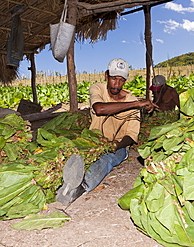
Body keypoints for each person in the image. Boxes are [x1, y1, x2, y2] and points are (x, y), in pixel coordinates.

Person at [56, 58, 157, 206]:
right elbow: (99, 109)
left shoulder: (130, 99)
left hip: (118, 146)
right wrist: (137, 104)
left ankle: (80, 187)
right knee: (71, 154)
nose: (117, 84)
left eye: (121, 80)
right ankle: (59, 182)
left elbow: (131, 135)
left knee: (107, 159)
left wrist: (116, 145)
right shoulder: (97, 89)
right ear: (106, 76)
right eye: (114, 78)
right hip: (94, 140)